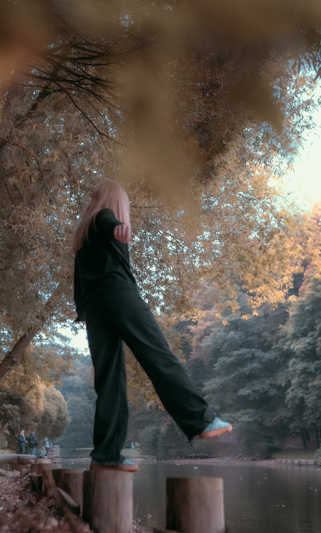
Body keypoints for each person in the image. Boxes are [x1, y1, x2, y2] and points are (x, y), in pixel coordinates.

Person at [73, 182, 231, 472]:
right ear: (115, 203)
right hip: (119, 295)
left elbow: (79, 283)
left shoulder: (84, 234)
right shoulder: (104, 218)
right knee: (158, 356)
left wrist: (83, 312)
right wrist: (119, 227)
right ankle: (202, 420)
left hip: (95, 308)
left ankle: (106, 455)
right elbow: (111, 222)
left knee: (109, 381)